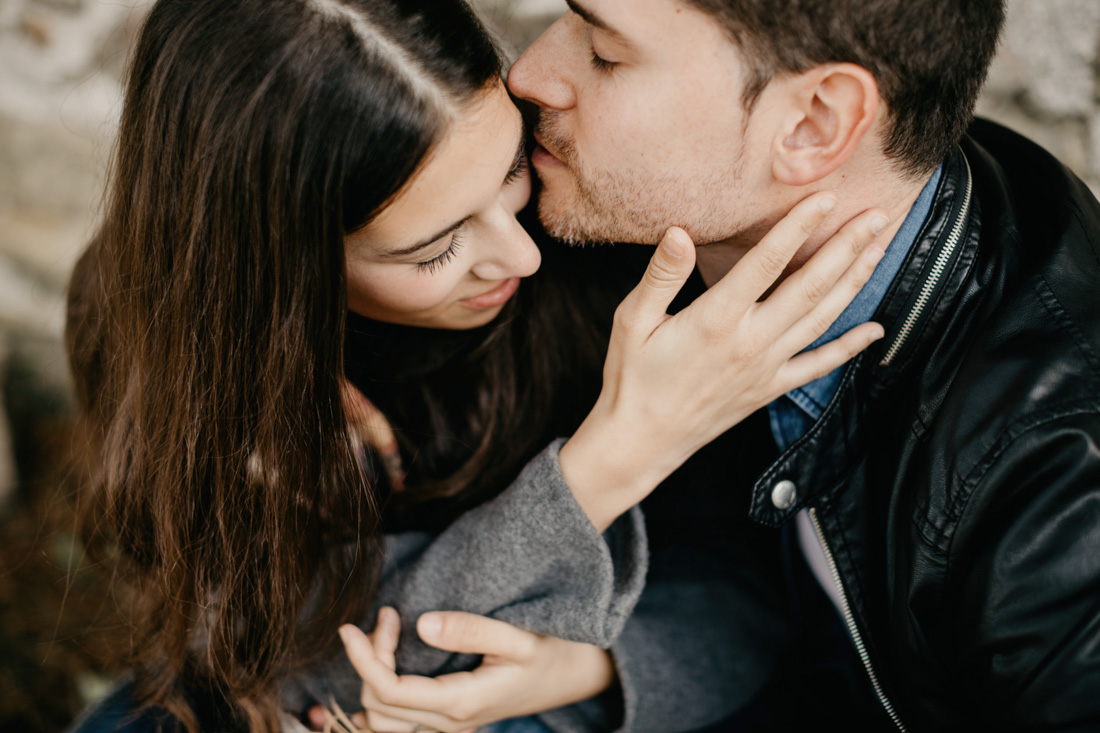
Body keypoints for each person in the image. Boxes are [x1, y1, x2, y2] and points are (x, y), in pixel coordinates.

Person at [62, 0, 888, 731]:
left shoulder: (594, 258)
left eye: (512, 172)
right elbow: (309, 668)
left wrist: (584, 672)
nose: (520, 254)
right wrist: (607, 462)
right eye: (437, 246)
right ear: (282, 264)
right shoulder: (156, 329)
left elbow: (748, 599)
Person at [339, 0, 1100, 731]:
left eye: (604, 52)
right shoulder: (651, 216)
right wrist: (603, 661)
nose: (530, 71)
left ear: (813, 123)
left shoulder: (1055, 493)